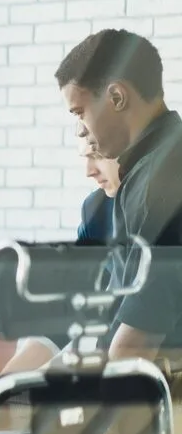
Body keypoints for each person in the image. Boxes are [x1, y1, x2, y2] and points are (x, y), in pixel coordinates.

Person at [56, 28, 182, 364]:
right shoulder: (152, 168)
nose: (84, 131)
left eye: (80, 112)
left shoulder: (156, 184)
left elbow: (133, 347)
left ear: (116, 97)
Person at [0, 142, 121, 375]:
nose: (89, 170)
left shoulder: (164, 209)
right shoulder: (97, 208)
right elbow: (74, 300)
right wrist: (0, 386)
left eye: (97, 154)